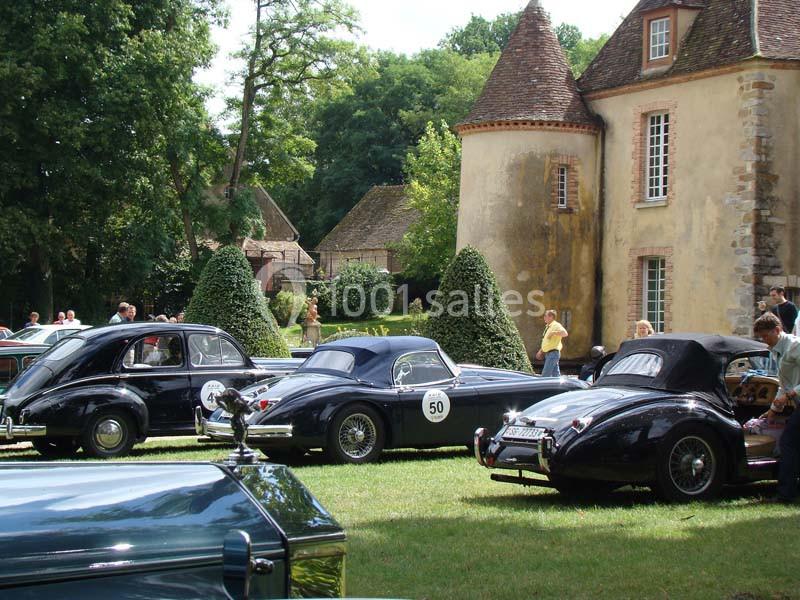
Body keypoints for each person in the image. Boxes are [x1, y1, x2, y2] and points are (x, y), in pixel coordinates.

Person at [753, 312, 800, 503]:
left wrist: (792, 394)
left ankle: (786, 494)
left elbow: (789, 389)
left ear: (778, 330)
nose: (764, 340)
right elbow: (784, 384)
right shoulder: (775, 350)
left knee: (788, 442)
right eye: (761, 337)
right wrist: (773, 410)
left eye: (766, 335)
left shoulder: (795, 346)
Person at [535, 309, 569, 377]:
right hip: (550, 354)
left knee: (545, 375)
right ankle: (559, 384)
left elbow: (565, 333)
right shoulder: (548, 326)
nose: (544, 318)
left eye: (545, 316)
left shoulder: (556, 325)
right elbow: (546, 341)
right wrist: (541, 351)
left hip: (553, 354)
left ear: (551, 317)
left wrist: (554, 333)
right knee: (555, 375)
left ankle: (543, 384)